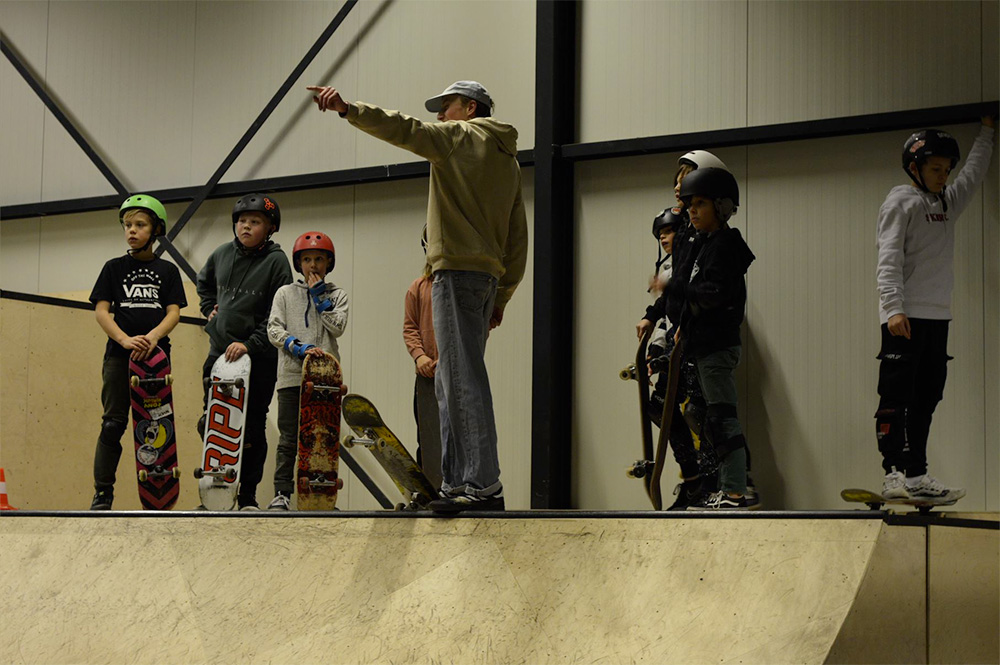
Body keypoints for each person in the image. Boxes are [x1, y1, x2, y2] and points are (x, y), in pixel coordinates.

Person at [307, 80, 529, 513]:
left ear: (469, 108)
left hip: (455, 274)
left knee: (460, 382)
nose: (440, 117)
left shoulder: (459, 137)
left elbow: (406, 129)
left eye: (446, 108)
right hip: (486, 279)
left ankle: (482, 486)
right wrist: (502, 294)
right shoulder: (509, 159)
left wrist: (348, 109)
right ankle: (456, 483)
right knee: (454, 380)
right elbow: (518, 233)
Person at [875, 117, 995, 500]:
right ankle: (892, 474)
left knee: (927, 398)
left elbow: (973, 176)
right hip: (904, 317)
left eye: (946, 170)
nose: (943, 176)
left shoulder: (946, 203)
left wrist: (987, 133)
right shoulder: (900, 202)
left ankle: (916, 476)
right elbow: (888, 258)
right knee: (896, 397)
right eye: (935, 169)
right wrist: (893, 308)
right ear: (915, 168)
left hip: (937, 316)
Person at [654, 167, 755, 510]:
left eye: (701, 203)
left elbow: (712, 293)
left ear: (722, 206)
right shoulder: (705, 244)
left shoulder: (726, 245)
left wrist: (672, 286)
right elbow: (699, 297)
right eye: (690, 204)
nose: (693, 210)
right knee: (700, 412)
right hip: (703, 345)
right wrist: (684, 322)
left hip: (717, 347)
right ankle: (728, 486)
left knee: (722, 416)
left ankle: (736, 490)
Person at [89, 195, 187, 510]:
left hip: (156, 361)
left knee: (154, 425)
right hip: (120, 357)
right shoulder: (113, 268)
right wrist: (125, 340)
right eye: (128, 225)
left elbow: (173, 313)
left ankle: (159, 491)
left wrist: (153, 337)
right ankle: (103, 492)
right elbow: (102, 312)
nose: (131, 230)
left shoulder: (168, 271)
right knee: (112, 424)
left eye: (140, 225)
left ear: (156, 229)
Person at [196, 193, 292, 510]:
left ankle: (248, 495)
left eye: (254, 222)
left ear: (270, 228)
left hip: (258, 358)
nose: (246, 227)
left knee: (251, 428)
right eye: (241, 221)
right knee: (213, 425)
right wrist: (209, 309)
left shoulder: (276, 262)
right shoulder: (222, 254)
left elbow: (277, 314)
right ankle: (216, 493)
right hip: (220, 355)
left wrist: (249, 343)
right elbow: (204, 283)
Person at [265, 231, 349, 510]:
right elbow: (273, 329)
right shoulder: (285, 294)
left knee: (323, 436)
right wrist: (297, 347)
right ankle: (282, 493)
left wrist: (320, 298)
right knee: (289, 438)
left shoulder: (338, 295)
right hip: (291, 375)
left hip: (325, 377)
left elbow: (337, 327)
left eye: (319, 259)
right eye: (307, 259)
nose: (313, 265)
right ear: (298, 263)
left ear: (328, 263)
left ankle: (320, 495)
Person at [403, 226, 442, 490]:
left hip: (456, 375)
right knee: (428, 439)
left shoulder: (459, 289)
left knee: (459, 438)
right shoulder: (418, 288)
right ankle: (429, 493)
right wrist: (419, 358)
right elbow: (410, 328)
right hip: (426, 377)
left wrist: (450, 359)